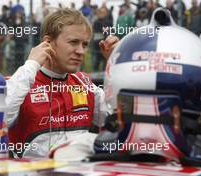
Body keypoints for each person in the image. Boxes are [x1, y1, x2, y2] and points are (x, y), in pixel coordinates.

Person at [7, 8, 118, 158]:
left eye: (84, 45)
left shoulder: (85, 84)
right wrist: (31, 65)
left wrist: (118, 66)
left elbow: (120, 121)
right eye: (73, 42)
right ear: (48, 42)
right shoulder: (20, 82)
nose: (81, 51)